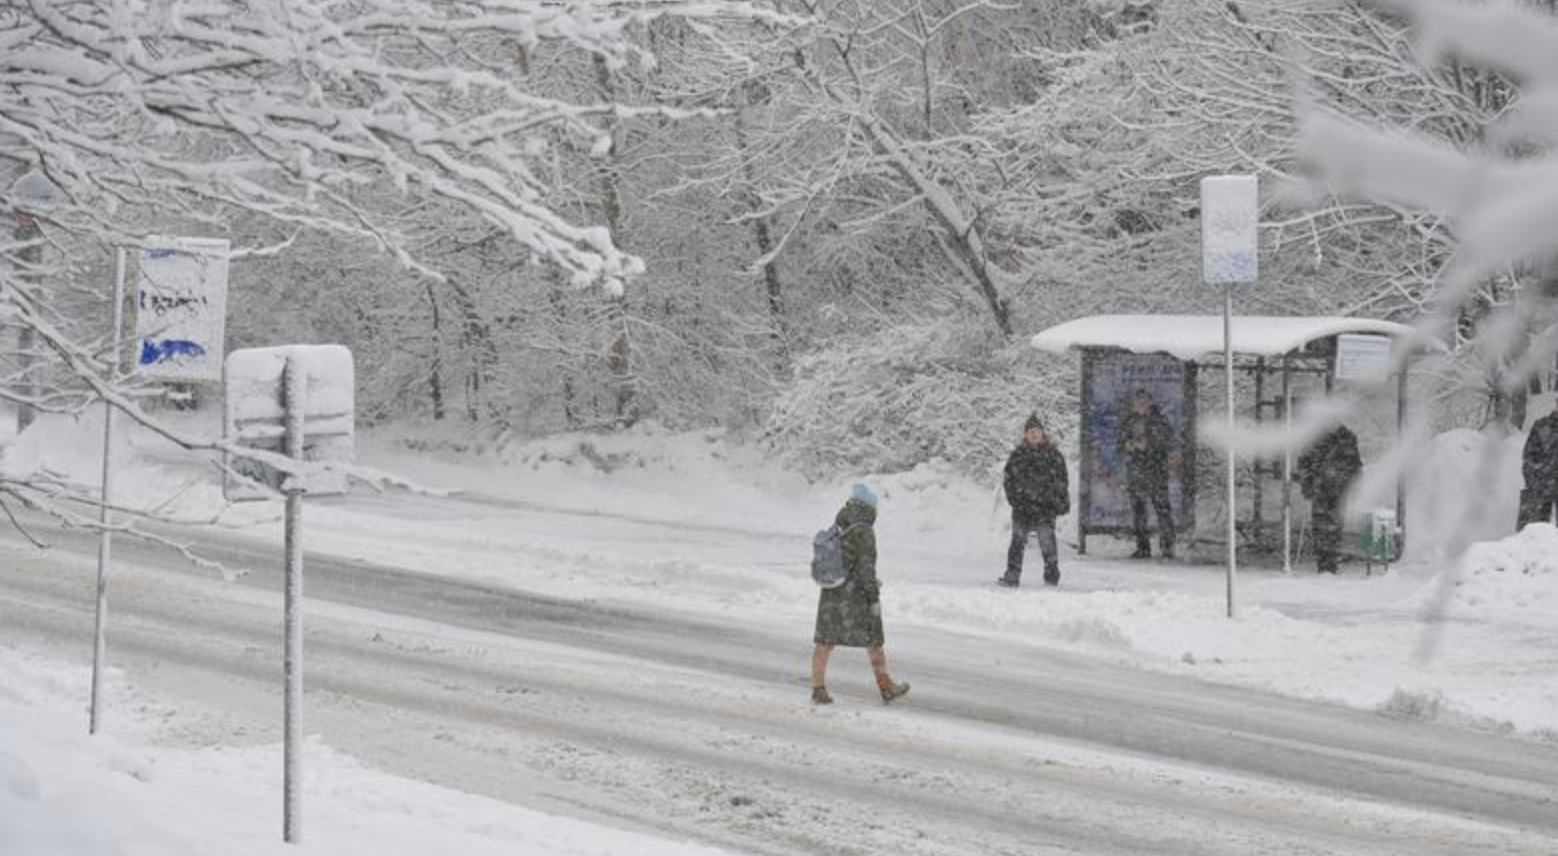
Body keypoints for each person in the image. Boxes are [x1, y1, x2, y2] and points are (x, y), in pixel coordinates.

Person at [811, 484, 910, 706]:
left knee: (825, 640)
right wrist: (873, 596)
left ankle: (818, 688)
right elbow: (866, 568)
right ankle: (886, 687)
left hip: (832, 590)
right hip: (854, 595)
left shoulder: (839, 523)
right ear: (869, 508)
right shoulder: (864, 530)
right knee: (874, 639)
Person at [999, 414, 1070, 588]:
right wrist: (1015, 500)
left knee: (1048, 543)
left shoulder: (1053, 455)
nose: (1034, 434)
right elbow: (1009, 480)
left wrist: (1056, 500)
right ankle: (1012, 575)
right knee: (1017, 542)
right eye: (1030, 431)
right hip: (1022, 507)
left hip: (1045, 507)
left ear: (1043, 433)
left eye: (1037, 431)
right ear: (1025, 434)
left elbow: (1062, 480)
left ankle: (1052, 576)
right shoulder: (1018, 455)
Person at [1297, 421, 1363, 574]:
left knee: (1336, 526)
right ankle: (1323, 562)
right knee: (1320, 526)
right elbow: (1303, 463)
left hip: (1339, 490)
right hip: (1320, 489)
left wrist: (1354, 485)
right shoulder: (1314, 437)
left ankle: (1330, 562)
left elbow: (1355, 465)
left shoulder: (1347, 437)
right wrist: (1307, 484)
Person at [1118, 389, 1175, 559]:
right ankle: (1143, 548)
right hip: (1136, 471)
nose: (1140, 404)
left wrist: (1144, 447)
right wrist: (1125, 446)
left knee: (1162, 510)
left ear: (1150, 403)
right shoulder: (1129, 421)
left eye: (1143, 401)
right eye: (1137, 401)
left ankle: (1167, 548)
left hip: (1156, 471)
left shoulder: (1160, 420)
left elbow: (1165, 443)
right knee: (1139, 511)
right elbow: (1119, 442)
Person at [1518, 397, 1558, 530]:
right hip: (1541, 487)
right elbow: (1529, 457)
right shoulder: (1542, 426)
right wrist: (1536, 483)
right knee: (1534, 533)